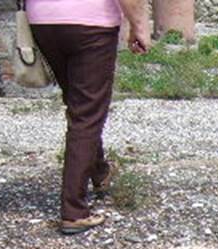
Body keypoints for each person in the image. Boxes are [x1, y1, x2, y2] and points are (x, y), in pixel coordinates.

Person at [27, 0, 151, 234]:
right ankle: (74, 211)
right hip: (92, 22)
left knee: (79, 104)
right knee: (87, 114)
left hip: (43, 20)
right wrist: (139, 25)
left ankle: (101, 172)